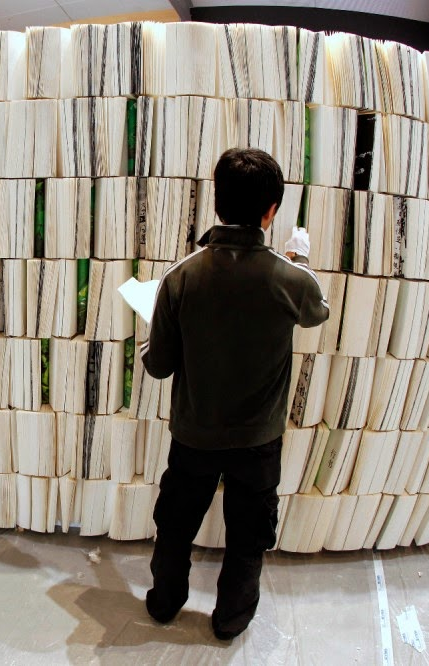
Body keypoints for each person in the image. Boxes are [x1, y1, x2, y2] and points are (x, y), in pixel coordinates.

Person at [141, 148, 330, 641]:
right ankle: (230, 620)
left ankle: (164, 604)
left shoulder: (180, 277)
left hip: (193, 435)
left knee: (176, 526)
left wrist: (152, 337)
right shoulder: (291, 279)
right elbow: (317, 312)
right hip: (258, 440)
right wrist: (298, 259)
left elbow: (157, 366)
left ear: (217, 201)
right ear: (271, 210)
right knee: (249, 536)